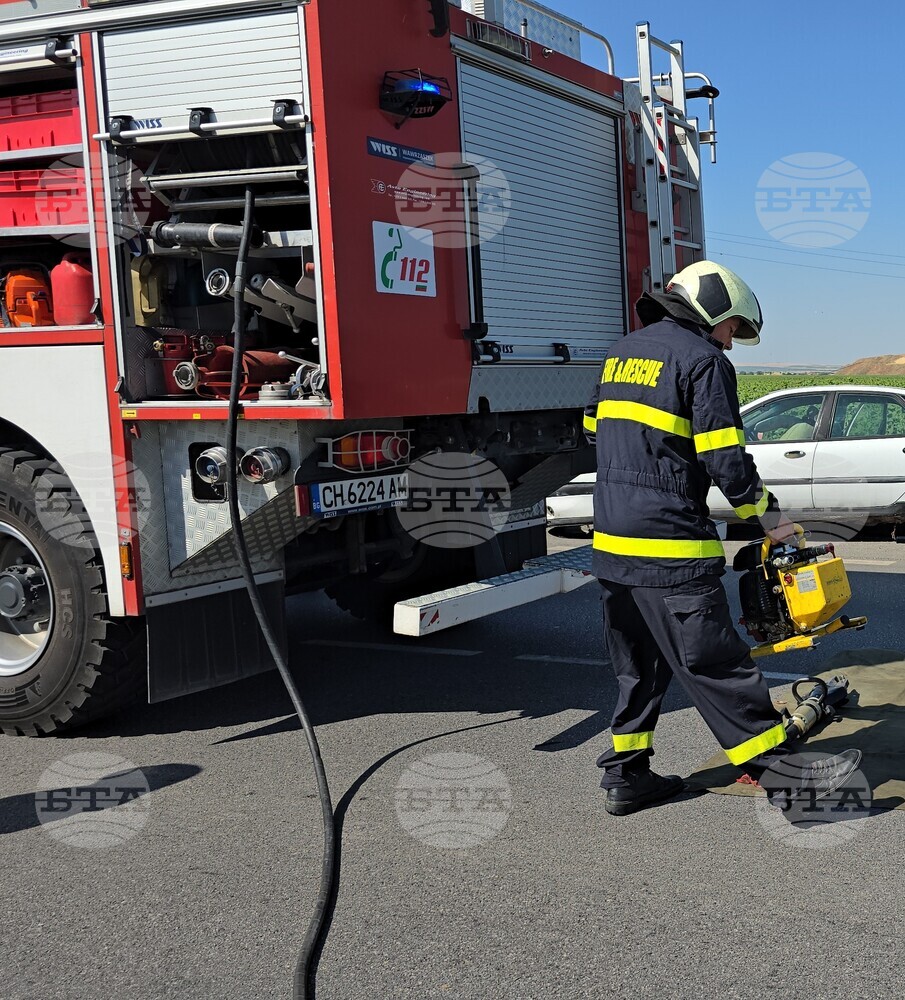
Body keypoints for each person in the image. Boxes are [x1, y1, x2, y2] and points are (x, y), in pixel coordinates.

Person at [584, 261, 861, 816]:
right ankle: (790, 783)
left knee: (638, 666)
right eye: (733, 328)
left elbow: (595, 428)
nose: (731, 342)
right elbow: (726, 460)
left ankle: (626, 775)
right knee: (717, 663)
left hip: (612, 545)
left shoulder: (622, 352)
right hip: (671, 548)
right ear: (713, 308)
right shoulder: (701, 360)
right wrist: (770, 517)